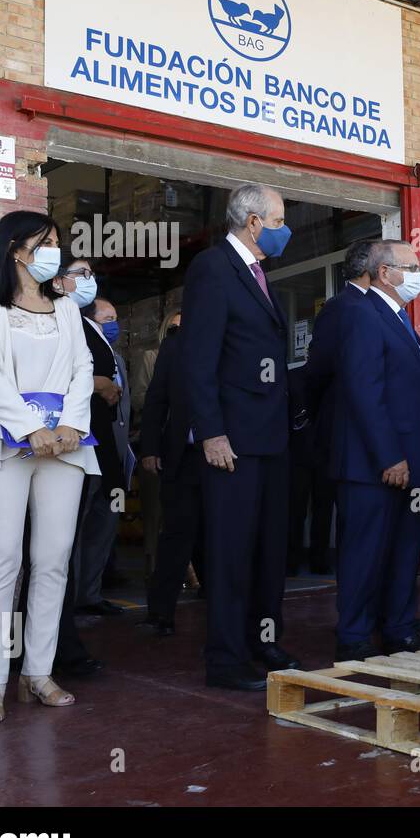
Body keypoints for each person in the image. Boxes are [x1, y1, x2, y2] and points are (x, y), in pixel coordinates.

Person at [0, 211, 98, 724]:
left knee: (53, 558)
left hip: (65, 446)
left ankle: (37, 673)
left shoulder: (65, 310)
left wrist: (68, 426)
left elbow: (83, 369)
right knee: (0, 562)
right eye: (47, 243)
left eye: (59, 243)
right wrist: (29, 427)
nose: (55, 253)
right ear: (16, 247)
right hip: (4, 446)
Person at [182, 183, 299, 690]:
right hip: (232, 441)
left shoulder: (257, 273)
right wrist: (211, 432)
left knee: (269, 549)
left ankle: (262, 640)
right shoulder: (213, 268)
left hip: (269, 439)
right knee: (231, 552)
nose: (283, 230)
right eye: (277, 222)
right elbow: (198, 358)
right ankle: (226, 659)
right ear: (252, 222)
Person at [330, 239, 420, 661]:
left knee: (403, 553)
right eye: (410, 267)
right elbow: (364, 393)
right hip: (376, 465)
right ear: (384, 273)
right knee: (365, 552)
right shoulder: (361, 313)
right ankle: (354, 635)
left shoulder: (399, 318)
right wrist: (389, 455)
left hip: (412, 466)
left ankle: (398, 628)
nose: (417, 275)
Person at [304, 240, 374, 575]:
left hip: (371, 431)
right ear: (368, 269)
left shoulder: (380, 308)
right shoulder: (340, 308)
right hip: (340, 428)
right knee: (333, 503)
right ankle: (327, 564)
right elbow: (316, 370)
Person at [138, 315, 204, 635]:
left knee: (222, 536)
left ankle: (223, 608)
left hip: (228, 459)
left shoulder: (236, 341)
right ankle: (160, 615)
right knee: (175, 536)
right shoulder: (173, 346)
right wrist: (149, 448)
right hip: (182, 457)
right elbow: (156, 399)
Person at [74, 294, 130, 616]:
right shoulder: (79, 341)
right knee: (80, 525)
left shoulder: (117, 359)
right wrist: (97, 384)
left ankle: (90, 594)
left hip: (114, 452)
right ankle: (74, 596)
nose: (115, 326)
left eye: (115, 319)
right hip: (85, 446)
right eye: (108, 320)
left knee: (106, 521)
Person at [131, 308, 181, 579]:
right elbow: (139, 398)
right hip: (157, 441)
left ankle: (185, 572)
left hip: (185, 444)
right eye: (174, 329)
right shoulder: (150, 357)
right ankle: (153, 572)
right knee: (154, 514)